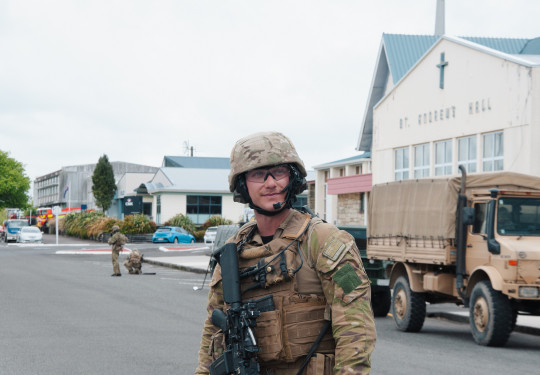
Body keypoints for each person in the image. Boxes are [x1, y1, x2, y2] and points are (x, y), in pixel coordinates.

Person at [196, 132, 376, 375]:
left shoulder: (326, 241)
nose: (271, 183)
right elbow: (212, 331)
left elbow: (356, 326)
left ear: (293, 178)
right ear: (242, 185)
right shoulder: (234, 251)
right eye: (258, 174)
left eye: (279, 172)